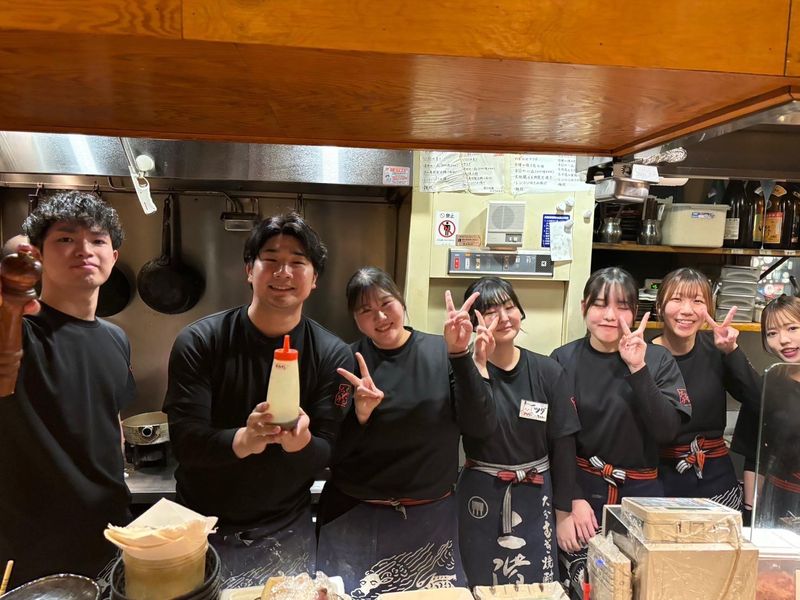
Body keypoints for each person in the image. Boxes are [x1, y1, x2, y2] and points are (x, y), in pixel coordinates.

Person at [163, 212, 354, 589]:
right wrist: (243, 440)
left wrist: (301, 443)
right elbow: (185, 443)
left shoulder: (333, 355)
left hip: (286, 532)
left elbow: (329, 450)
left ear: (314, 278)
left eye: (298, 262)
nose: (284, 272)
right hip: (201, 529)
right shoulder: (200, 342)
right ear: (249, 270)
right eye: (271, 259)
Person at [316, 267, 495, 599]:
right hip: (355, 516)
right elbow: (329, 451)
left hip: (430, 518)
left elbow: (480, 427)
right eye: (366, 310)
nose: (380, 317)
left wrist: (460, 355)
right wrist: (360, 415)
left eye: (386, 303)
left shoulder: (442, 352)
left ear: (401, 301)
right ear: (355, 319)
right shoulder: (345, 362)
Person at [0, 191, 135, 588]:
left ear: (114, 256)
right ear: (38, 254)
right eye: (65, 238)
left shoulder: (116, 338)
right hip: (33, 550)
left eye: (97, 240)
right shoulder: (17, 330)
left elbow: (112, 422)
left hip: (110, 537)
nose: (84, 249)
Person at [550, 267, 690, 588]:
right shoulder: (562, 359)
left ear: (635, 312)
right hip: (582, 495)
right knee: (586, 586)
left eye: (622, 306)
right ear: (584, 307)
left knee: (644, 586)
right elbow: (556, 439)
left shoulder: (658, 359)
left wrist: (637, 367)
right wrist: (569, 502)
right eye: (600, 305)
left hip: (643, 498)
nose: (610, 316)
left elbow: (667, 431)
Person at [456, 277, 580, 587]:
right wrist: (478, 368)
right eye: (490, 311)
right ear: (473, 322)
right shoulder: (462, 373)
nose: (504, 317)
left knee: (537, 584)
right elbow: (474, 427)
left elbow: (564, 445)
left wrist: (564, 514)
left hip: (536, 492)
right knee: (480, 583)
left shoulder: (548, 371)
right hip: (482, 495)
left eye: (509, 307)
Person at [651, 268, 760, 508]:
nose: (687, 310)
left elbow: (758, 400)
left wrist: (732, 351)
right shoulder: (642, 357)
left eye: (697, 301)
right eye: (677, 299)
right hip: (656, 480)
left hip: (715, 478)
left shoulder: (717, 349)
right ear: (659, 306)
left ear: (708, 310)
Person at [745, 294, 800, 529]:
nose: (784, 340)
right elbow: (754, 453)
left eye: (792, 328)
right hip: (778, 499)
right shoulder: (769, 381)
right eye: (772, 333)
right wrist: (751, 512)